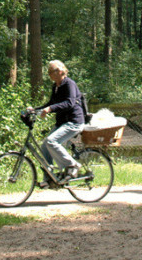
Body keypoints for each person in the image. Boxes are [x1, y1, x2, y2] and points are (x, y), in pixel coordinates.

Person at [29, 60, 85, 188]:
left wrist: (50, 109)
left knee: (51, 141)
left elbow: (70, 103)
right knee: (44, 147)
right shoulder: (56, 86)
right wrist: (36, 109)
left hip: (74, 122)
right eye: (48, 72)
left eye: (51, 72)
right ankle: (50, 178)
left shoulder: (69, 84)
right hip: (62, 123)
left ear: (60, 71)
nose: (49, 75)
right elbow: (51, 103)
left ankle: (72, 165)